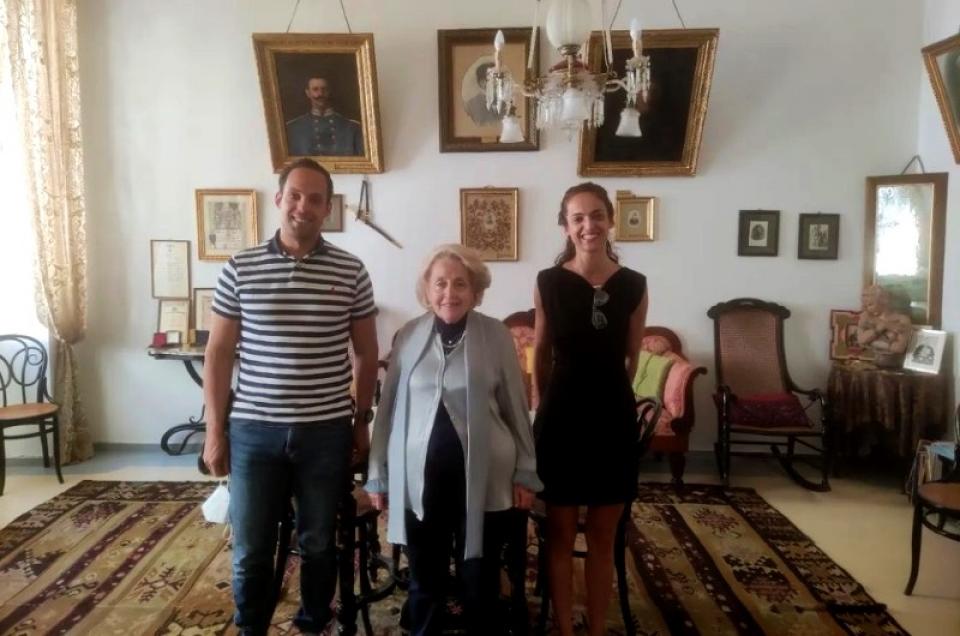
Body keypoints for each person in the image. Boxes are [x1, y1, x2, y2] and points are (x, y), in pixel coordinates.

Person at [202, 157, 378, 635]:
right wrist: (214, 432)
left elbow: (367, 353)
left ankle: (313, 622)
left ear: (327, 208)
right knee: (251, 547)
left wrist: (361, 422)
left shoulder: (352, 270)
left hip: (325, 432)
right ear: (279, 199)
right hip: (254, 433)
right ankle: (251, 628)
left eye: (315, 199)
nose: (304, 206)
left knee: (319, 544)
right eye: (295, 195)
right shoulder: (240, 268)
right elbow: (218, 353)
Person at [365, 244, 541, 636]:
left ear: (476, 291)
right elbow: (388, 408)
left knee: (479, 574)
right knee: (425, 575)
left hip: (487, 476)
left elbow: (516, 406)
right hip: (420, 479)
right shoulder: (408, 335)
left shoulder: (496, 335)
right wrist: (377, 472)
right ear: (427, 290)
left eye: (461, 284)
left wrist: (526, 470)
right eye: (440, 283)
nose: (450, 293)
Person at [532, 182, 649, 636]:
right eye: (578, 217)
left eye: (597, 215)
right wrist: (541, 406)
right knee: (560, 535)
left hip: (612, 420)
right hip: (560, 421)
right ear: (565, 226)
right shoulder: (548, 282)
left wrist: (613, 398)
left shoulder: (634, 285)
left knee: (603, 536)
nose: (588, 225)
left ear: (611, 220)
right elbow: (541, 354)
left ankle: (597, 630)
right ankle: (565, 629)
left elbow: (631, 358)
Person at [286, 75, 365, 156]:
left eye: (324, 89)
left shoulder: (352, 127)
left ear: (329, 91)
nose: (320, 94)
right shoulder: (293, 128)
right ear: (308, 93)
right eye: (315, 89)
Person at [856, 284, 911, 354]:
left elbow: (899, 348)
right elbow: (861, 341)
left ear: (884, 301)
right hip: (871, 358)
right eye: (864, 305)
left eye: (870, 304)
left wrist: (871, 341)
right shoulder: (866, 316)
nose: (866, 309)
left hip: (893, 359)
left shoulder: (902, 319)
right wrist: (880, 328)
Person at [462, 61, 501, 126]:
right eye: (493, 78)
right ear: (482, 82)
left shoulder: (503, 103)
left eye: (498, 77)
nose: (498, 82)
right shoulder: (471, 105)